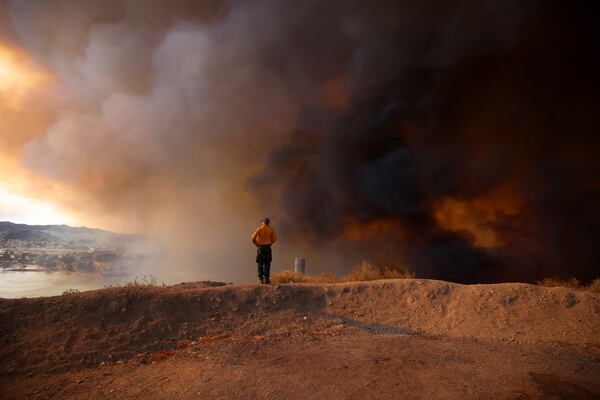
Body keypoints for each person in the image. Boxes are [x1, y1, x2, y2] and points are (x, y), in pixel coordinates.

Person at [251, 217, 277, 284]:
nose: (261, 223)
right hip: (268, 247)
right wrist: (270, 243)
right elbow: (274, 239)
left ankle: (260, 280)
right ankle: (267, 279)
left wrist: (256, 244)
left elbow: (253, 237)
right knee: (267, 263)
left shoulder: (259, 229)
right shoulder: (271, 230)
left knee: (260, 263)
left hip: (261, 247)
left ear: (263, 222)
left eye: (262, 222)